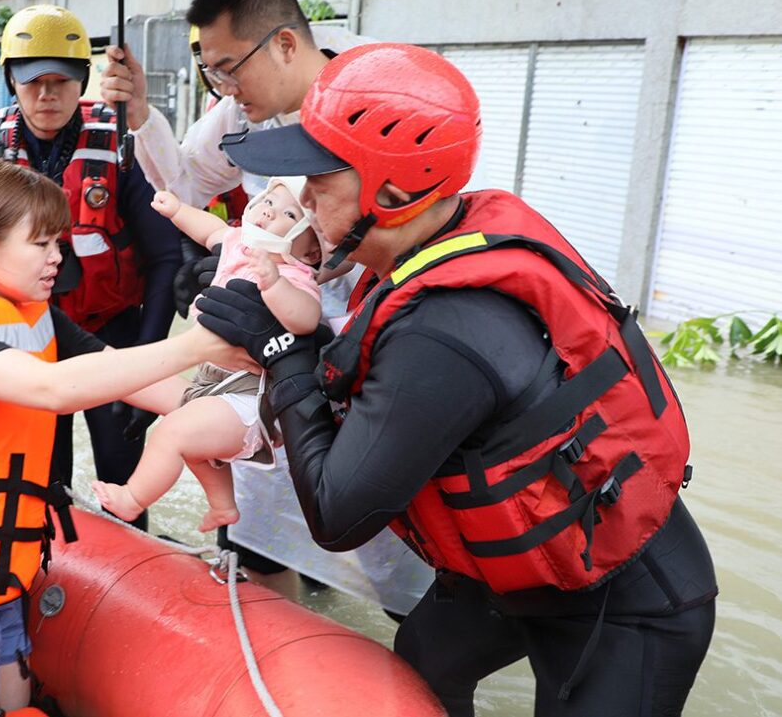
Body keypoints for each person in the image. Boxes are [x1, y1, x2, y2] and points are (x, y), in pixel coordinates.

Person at [195, 42, 718, 716]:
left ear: (390, 192)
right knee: (423, 662)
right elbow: (369, 380)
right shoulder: (429, 252)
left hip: (627, 595)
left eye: (320, 177)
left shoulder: (443, 327)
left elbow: (337, 513)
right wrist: (296, 335)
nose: (301, 196)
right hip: (517, 570)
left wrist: (281, 350)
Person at [102, 0, 434, 612]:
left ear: (285, 43)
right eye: (210, 70)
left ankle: (412, 652)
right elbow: (186, 184)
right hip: (259, 348)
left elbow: (419, 226)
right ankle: (283, 650)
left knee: (386, 528)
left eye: (231, 67)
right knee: (259, 522)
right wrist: (141, 114)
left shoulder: (376, 99)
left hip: (357, 339)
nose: (223, 86)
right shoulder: (238, 117)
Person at [0, 158, 242, 712]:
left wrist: (244, 418)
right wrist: (199, 344)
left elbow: (124, 373)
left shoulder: (26, 313)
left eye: (58, 241)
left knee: (15, 698)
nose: (58, 257)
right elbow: (54, 389)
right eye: (41, 243)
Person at [0, 4, 183, 526]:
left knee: (124, 483)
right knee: (36, 484)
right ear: (11, 79)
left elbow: (166, 258)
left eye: (60, 81)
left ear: (83, 82)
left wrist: (144, 355)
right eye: (33, 82)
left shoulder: (120, 149)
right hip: (24, 342)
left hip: (112, 333)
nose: (46, 95)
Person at [92, 178, 322, 531]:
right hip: (209, 381)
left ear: (311, 251)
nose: (269, 212)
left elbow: (306, 319)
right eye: (268, 202)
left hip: (248, 399)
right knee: (133, 379)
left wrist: (273, 284)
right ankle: (223, 506)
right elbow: (210, 229)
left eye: (288, 213)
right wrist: (177, 210)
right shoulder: (235, 244)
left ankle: (132, 499)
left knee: (173, 432)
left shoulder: (295, 274)